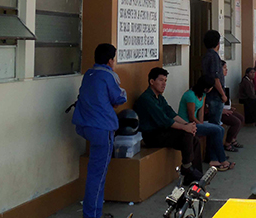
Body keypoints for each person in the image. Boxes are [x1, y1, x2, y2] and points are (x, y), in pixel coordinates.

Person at [72, 43, 127, 218]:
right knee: (98, 175)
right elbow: (119, 98)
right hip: (102, 128)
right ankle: (92, 214)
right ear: (110, 60)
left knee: (95, 172)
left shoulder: (89, 74)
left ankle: (95, 212)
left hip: (85, 125)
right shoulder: (108, 75)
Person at [135, 67, 203, 183]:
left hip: (163, 132)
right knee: (186, 134)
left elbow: (171, 113)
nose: (164, 84)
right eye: (161, 80)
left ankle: (196, 174)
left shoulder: (159, 97)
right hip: (151, 136)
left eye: (165, 81)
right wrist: (185, 127)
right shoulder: (146, 99)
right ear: (152, 81)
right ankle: (187, 167)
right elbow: (165, 120)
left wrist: (187, 124)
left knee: (194, 139)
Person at [178, 76, 235, 171]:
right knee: (216, 130)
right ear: (206, 88)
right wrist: (201, 125)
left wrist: (202, 124)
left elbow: (201, 112)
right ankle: (222, 160)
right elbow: (191, 117)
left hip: (196, 123)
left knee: (220, 129)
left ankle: (214, 159)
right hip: (187, 124)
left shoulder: (203, 95)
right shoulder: (190, 95)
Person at [201, 30, 227, 125]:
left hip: (209, 93)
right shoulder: (214, 56)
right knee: (215, 123)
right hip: (216, 94)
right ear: (218, 43)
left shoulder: (206, 55)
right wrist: (223, 94)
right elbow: (215, 78)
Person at [220, 61, 245, 152]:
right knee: (236, 122)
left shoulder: (222, 81)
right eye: (224, 68)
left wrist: (229, 107)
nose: (226, 70)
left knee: (241, 118)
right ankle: (227, 143)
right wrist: (223, 111)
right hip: (219, 111)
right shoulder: (216, 83)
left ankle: (233, 139)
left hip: (225, 108)